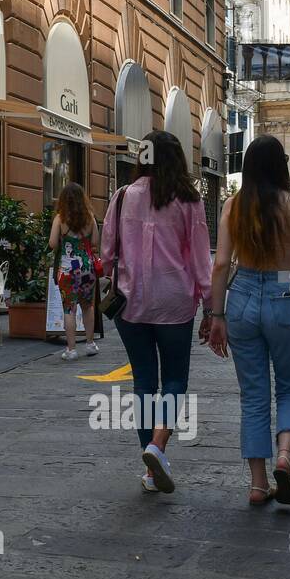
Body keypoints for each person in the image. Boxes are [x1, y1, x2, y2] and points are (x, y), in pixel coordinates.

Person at [207, 136, 290, 508]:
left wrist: (216, 314)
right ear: (281, 165)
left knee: (253, 395)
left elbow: (222, 264)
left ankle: (258, 484)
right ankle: (284, 455)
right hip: (285, 294)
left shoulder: (233, 206)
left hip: (241, 295)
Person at [100, 130, 212, 495]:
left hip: (130, 305)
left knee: (144, 383)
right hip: (175, 302)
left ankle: (151, 469)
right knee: (175, 380)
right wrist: (211, 306)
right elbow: (199, 259)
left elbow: (106, 257)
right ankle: (158, 446)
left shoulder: (121, 198)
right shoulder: (188, 200)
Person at [49, 182, 99, 361]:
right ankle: (90, 343)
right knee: (88, 306)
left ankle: (71, 349)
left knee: (69, 308)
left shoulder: (60, 219)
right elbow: (95, 243)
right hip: (87, 268)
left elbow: (53, 244)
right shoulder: (90, 218)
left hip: (67, 269)